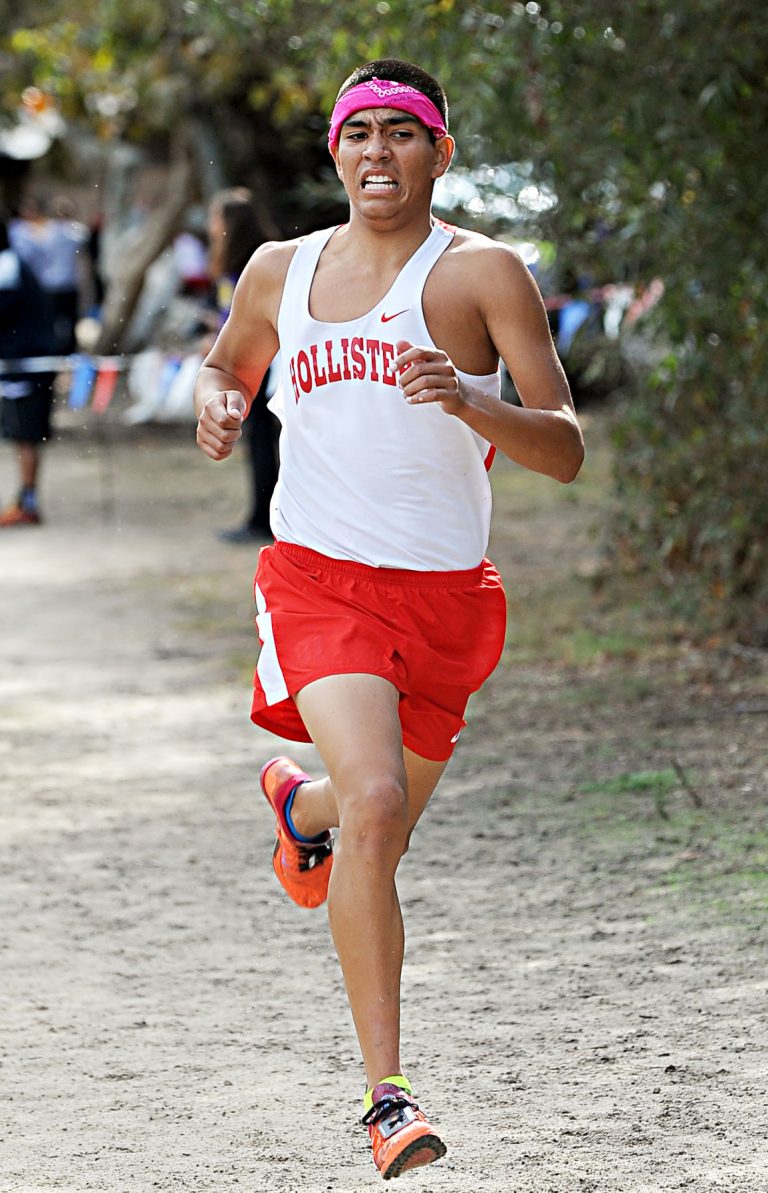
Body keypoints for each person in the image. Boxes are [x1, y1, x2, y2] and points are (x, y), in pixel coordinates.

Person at [194, 58, 584, 1180]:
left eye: (402, 134)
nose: (378, 152)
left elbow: (564, 444)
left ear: (439, 152)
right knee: (377, 805)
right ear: (335, 151)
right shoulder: (281, 268)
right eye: (358, 132)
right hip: (318, 581)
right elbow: (227, 364)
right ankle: (387, 1098)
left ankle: (296, 804)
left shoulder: (481, 274)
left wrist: (471, 397)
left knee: (374, 824)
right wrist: (219, 403)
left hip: (447, 598)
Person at [204, 187, 279, 544]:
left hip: (265, 368)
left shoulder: (254, 265)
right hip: (247, 367)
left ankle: (264, 521)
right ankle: (258, 516)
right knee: (258, 445)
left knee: (265, 444)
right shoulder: (231, 267)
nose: (210, 225)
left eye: (215, 217)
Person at [0, 212, 58, 527]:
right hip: (21, 365)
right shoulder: (9, 264)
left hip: (27, 366)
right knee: (21, 435)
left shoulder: (7, 268)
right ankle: (25, 498)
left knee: (26, 435)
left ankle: (28, 502)